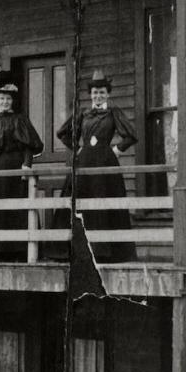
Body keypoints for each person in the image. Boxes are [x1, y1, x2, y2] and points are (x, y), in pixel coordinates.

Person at [57, 69, 137, 263]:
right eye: (95, 92)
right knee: (80, 202)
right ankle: (75, 250)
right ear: (90, 94)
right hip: (84, 163)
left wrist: (115, 150)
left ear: (108, 94)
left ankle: (105, 251)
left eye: (102, 92)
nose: (98, 95)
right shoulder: (84, 113)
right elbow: (63, 133)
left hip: (105, 162)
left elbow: (131, 135)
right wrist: (77, 149)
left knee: (103, 202)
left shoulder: (113, 112)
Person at [0, 71, 44, 261]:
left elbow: (29, 145)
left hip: (16, 167)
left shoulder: (20, 119)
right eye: (2, 98)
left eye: (8, 99)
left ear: (13, 101)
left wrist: (26, 166)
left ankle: (19, 249)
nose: (5, 102)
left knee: (18, 208)